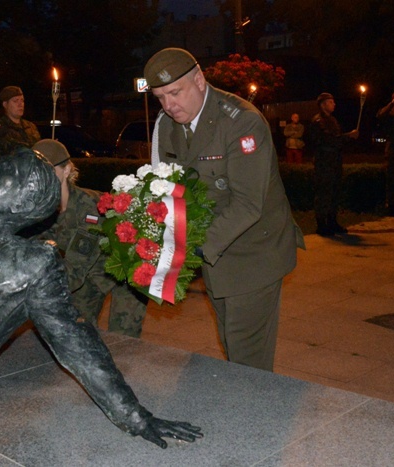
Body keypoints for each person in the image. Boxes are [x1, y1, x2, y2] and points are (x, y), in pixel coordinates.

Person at [0, 148, 202, 456]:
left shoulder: (30, 266)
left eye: (7, 170)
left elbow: (76, 343)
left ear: (26, 201)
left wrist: (135, 416)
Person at [144, 47, 304, 372]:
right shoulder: (166, 126)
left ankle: (255, 418)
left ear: (199, 80)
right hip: (215, 256)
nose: (169, 105)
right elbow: (166, 188)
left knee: (247, 359)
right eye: (160, 97)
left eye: (175, 92)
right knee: (232, 348)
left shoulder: (241, 122)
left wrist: (192, 246)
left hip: (254, 253)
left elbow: (248, 204)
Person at [32, 139, 149, 337]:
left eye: (49, 170)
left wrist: (33, 294)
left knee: (123, 340)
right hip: (91, 271)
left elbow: (74, 272)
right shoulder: (40, 211)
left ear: (67, 170)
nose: (41, 178)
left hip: (126, 270)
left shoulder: (90, 209)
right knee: (77, 334)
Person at [307, 93, 359, 236]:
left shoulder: (332, 120)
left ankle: (332, 221)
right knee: (324, 192)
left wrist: (347, 138)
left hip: (334, 160)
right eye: (330, 102)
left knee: (334, 192)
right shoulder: (318, 121)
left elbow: (337, 140)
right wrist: (348, 136)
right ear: (323, 104)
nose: (334, 104)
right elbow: (329, 139)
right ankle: (322, 224)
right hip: (324, 161)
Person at [0, 85, 40, 160]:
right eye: (15, 101)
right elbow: (6, 154)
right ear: (5, 104)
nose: (20, 104)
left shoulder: (31, 127)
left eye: (22, 100)